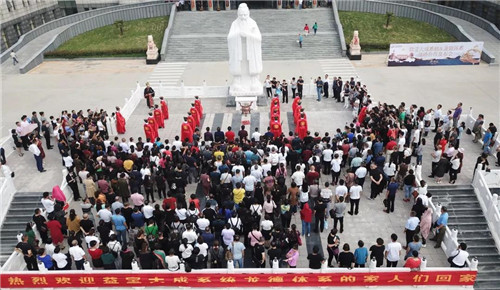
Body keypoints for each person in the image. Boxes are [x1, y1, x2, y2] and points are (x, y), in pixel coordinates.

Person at [227, 3, 263, 95]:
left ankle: (254, 81)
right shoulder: (235, 24)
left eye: (245, 15)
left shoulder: (253, 23)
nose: (243, 17)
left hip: (250, 50)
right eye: (241, 15)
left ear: (248, 13)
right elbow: (229, 37)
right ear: (237, 14)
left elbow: (258, 38)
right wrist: (238, 34)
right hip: (239, 50)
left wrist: (248, 35)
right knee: (238, 65)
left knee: (251, 64)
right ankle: (237, 82)